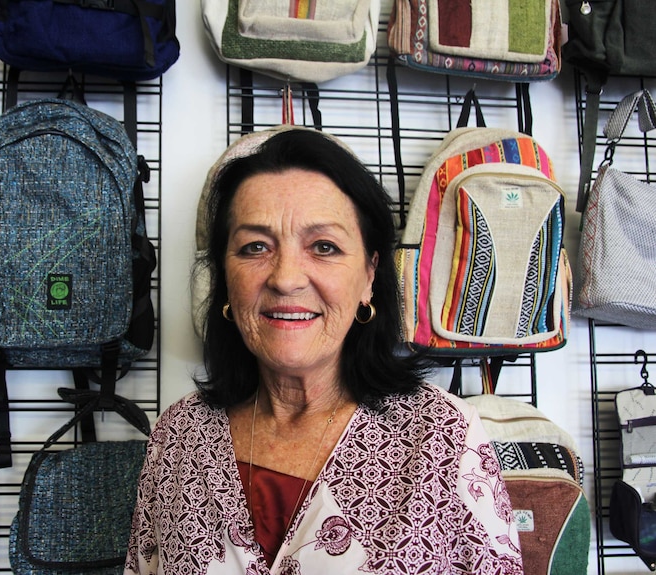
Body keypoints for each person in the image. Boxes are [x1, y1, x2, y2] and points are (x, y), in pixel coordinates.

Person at [125, 127, 523, 574]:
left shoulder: (442, 438)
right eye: (255, 246)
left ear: (370, 276)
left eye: (324, 247)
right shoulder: (179, 436)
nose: (286, 278)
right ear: (224, 276)